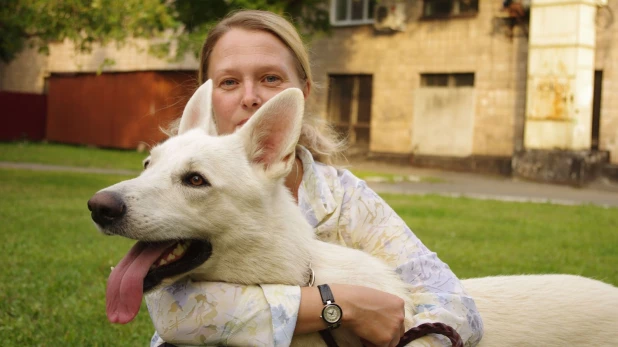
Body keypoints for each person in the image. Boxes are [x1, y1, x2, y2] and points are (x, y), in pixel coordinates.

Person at [146, 9, 483, 347]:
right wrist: (337, 304)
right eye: (229, 82)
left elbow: (455, 305)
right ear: (207, 95)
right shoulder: (170, 182)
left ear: (303, 93)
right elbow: (174, 314)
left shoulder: (345, 199)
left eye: (271, 78)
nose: (250, 97)